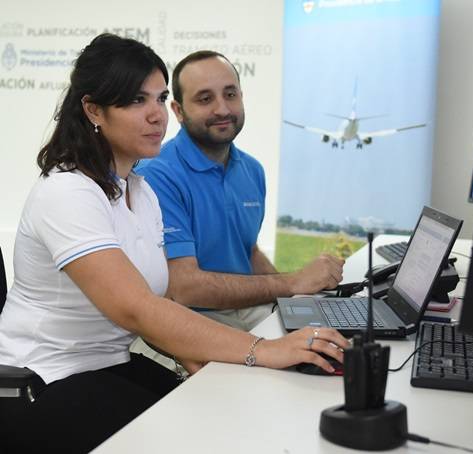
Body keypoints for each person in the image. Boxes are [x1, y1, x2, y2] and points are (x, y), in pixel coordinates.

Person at [0, 34, 348, 454]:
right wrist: (265, 349)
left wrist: (194, 351)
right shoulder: (67, 192)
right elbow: (137, 308)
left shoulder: (139, 191)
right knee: (202, 437)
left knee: (230, 413)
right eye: (136, 101)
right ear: (93, 110)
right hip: (45, 378)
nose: (156, 115)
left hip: (109, 363)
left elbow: (157, 300)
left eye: (160, 98)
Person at [136, 50, 344, 331]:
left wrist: (299, 296)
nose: (222, 109)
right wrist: (293, 281)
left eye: (230, 94)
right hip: (187, 318)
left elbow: (248, 252)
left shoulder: (252, 170)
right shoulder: (157, 175)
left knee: (334, 339)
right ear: (178, 111)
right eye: (205, 99)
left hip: (247, 309)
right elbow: (185, 288)